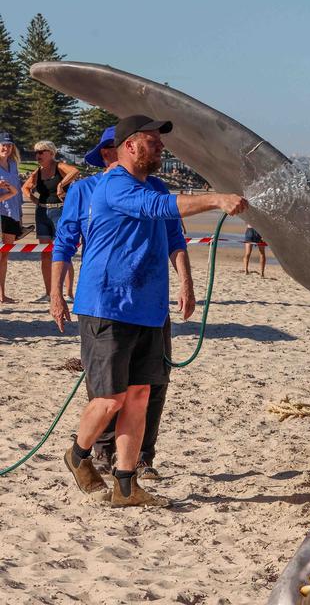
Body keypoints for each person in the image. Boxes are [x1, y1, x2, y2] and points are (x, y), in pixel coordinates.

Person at [51, 115, 247, 507]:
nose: (161, 147)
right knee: (109, 399)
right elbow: (156, 207)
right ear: (129, 147)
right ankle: (77, 454)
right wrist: (216, 198)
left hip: (149, 310)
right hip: (108, 306)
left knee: (139, 395)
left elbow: (171, 230)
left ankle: (126, 484)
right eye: (153, 141)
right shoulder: (112, 186)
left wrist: (185, 284)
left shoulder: (150, 184)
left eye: (161, 141)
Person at [22, 140, 80, 302]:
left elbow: (74, 171)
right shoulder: (38, 172)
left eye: (41, 152)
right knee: (45, 254)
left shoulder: (58, 166)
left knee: (64, 251)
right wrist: (33, 199)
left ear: (51, 153)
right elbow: (25, 188)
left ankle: (68, 293)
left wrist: (61, 184)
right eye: (36, 152)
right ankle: (49, 293)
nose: (37, 155)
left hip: (60, 210)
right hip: (42, 211)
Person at [0, 132, 23, 304]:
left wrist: (19, 215)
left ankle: (2, 294)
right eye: (3, 144)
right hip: (0, 211)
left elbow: (18, 191)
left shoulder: (13, 164)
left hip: (12, 213)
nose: (6, 148)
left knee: (4, 256)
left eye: (8, 145)